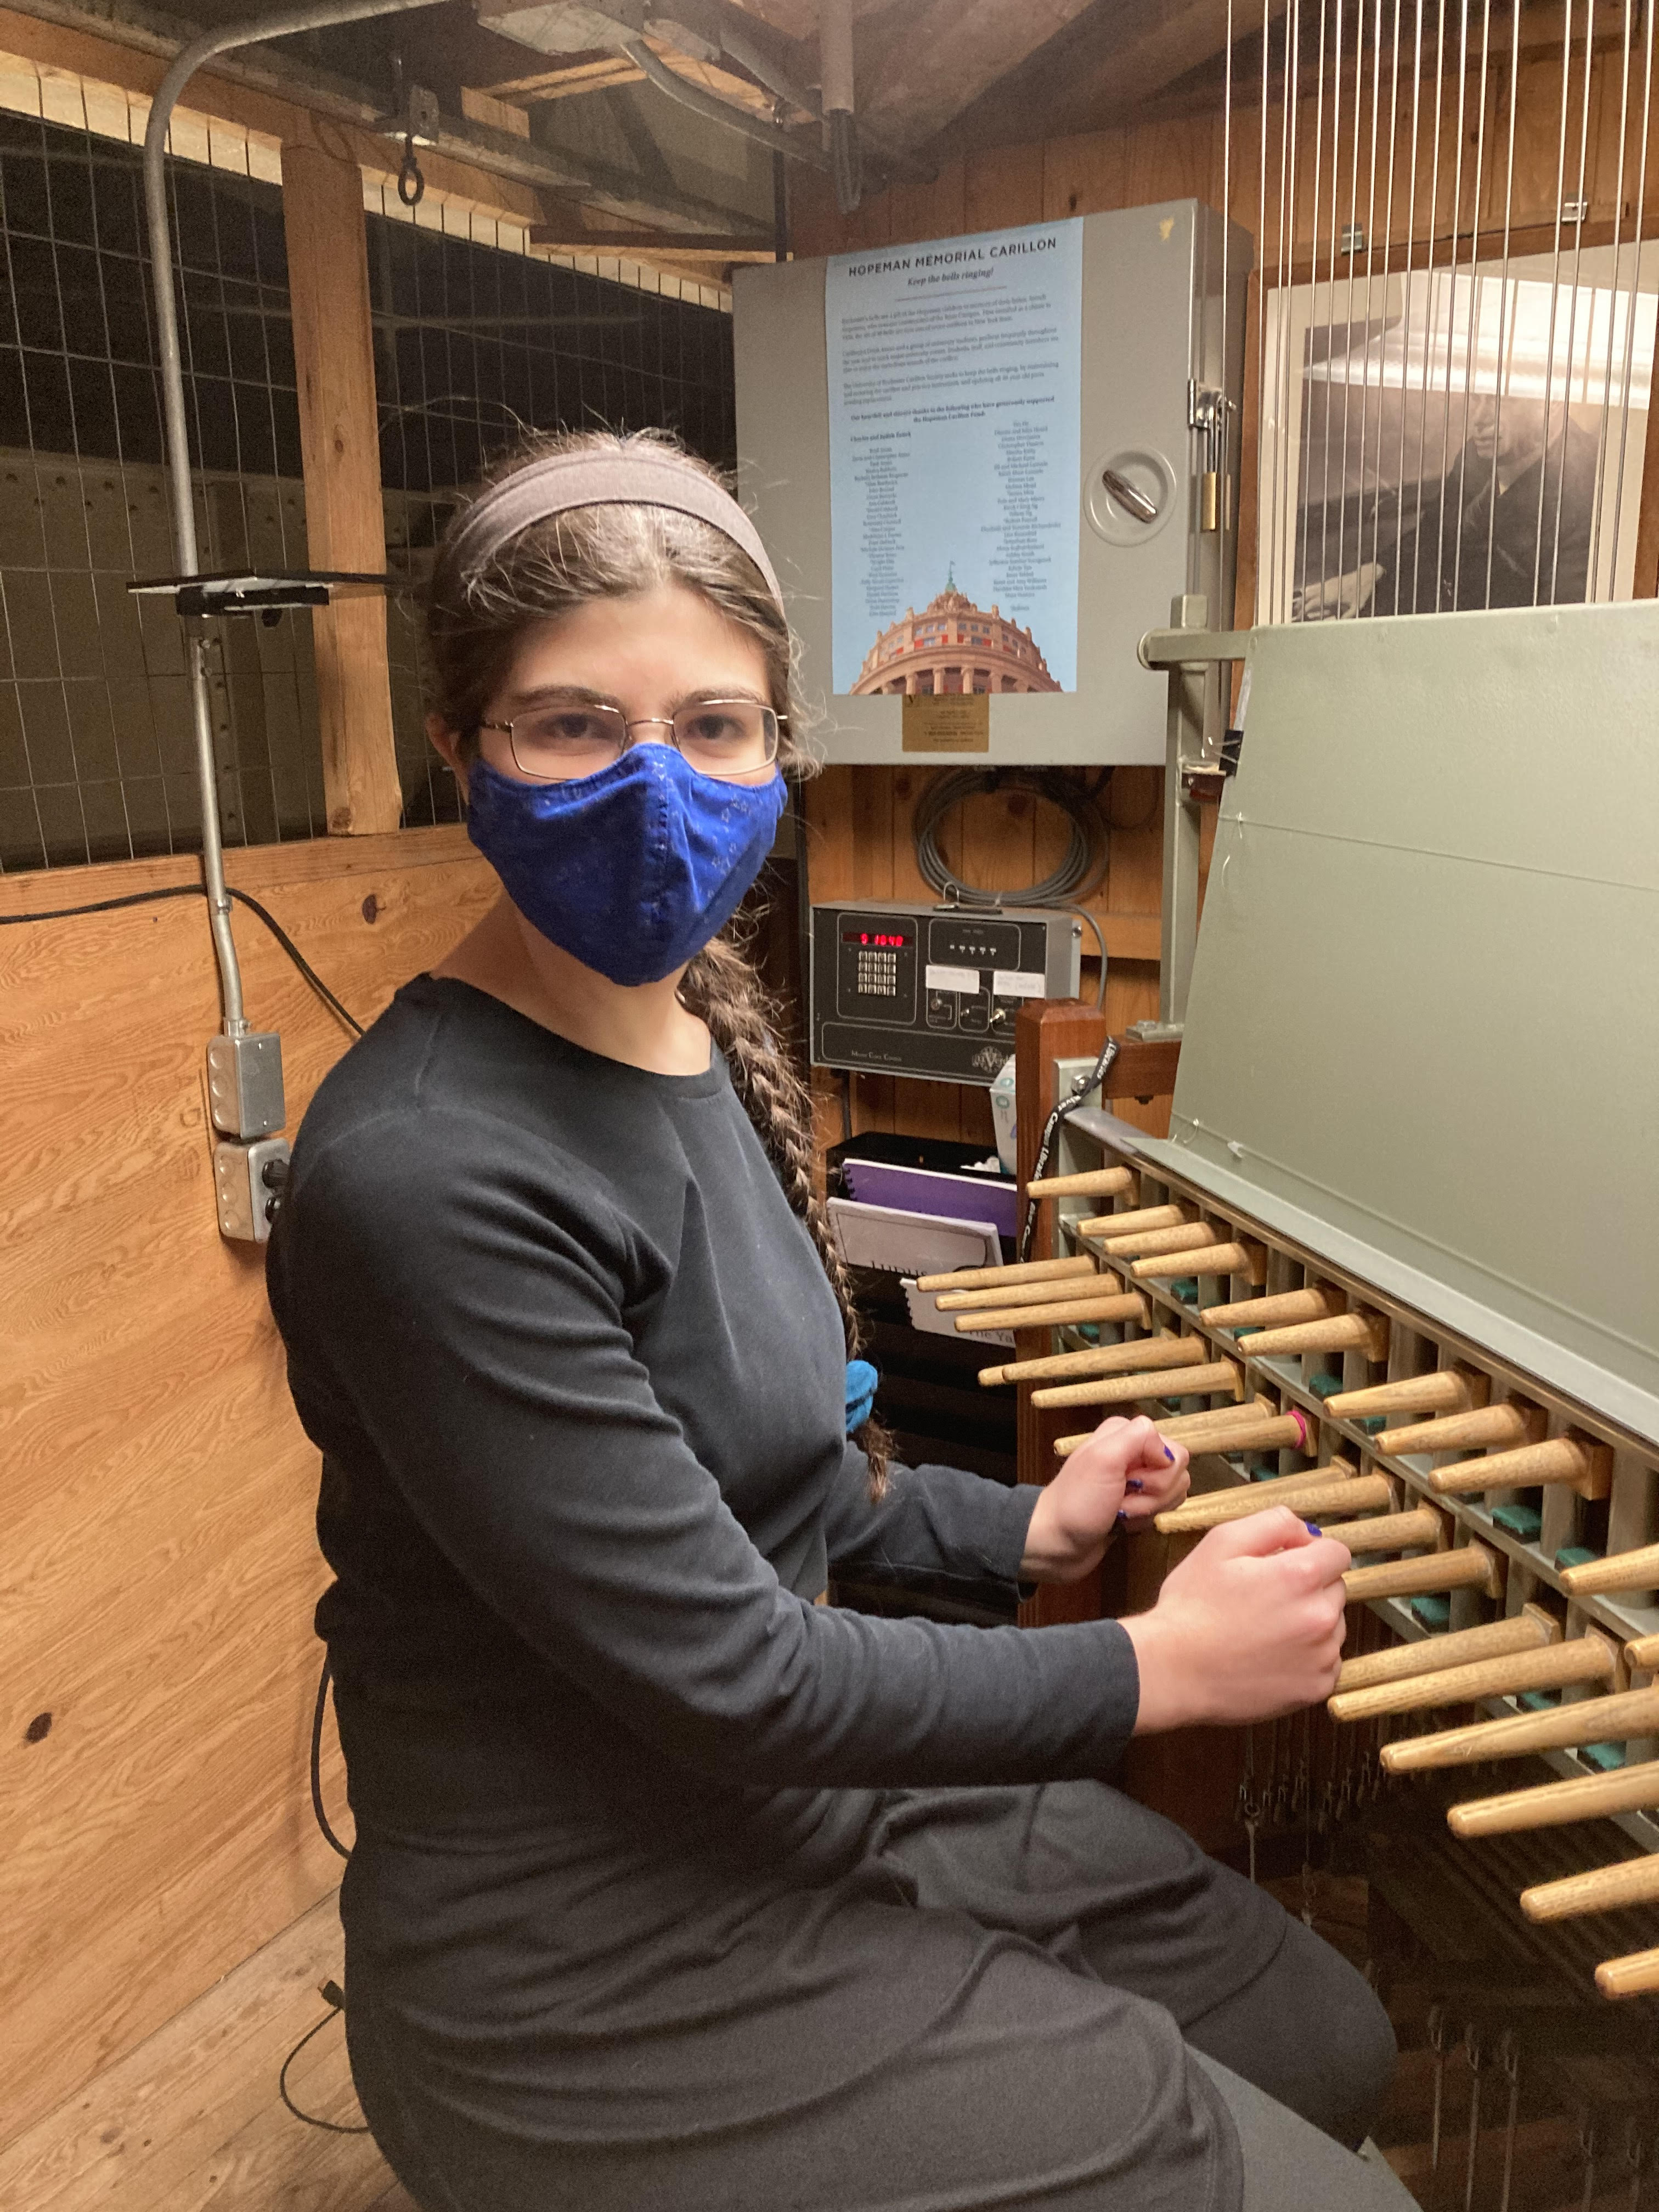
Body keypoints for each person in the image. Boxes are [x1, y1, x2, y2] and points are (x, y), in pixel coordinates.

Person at [266, 430, 1408, 2212]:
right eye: (572, 723)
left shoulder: (696, 1036)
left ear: (779, 747)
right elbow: (741, 1671)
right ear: (455, 753)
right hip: (591, 1963)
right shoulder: (421, 1176)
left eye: (714, 727)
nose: (656, 785)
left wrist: (1017, 1526)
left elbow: (792, 1476)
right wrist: (1152, 1670)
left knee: (1327, 2042)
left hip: (796, 1805)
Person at [1296, 394, 1599, 620]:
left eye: (1501, 401)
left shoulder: (1590, 494)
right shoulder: (1477, 455)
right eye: (1478, 398)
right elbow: (1437, 530)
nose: (1479, 418)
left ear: (1554, 403)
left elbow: (1552, 634)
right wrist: (1371, 573)